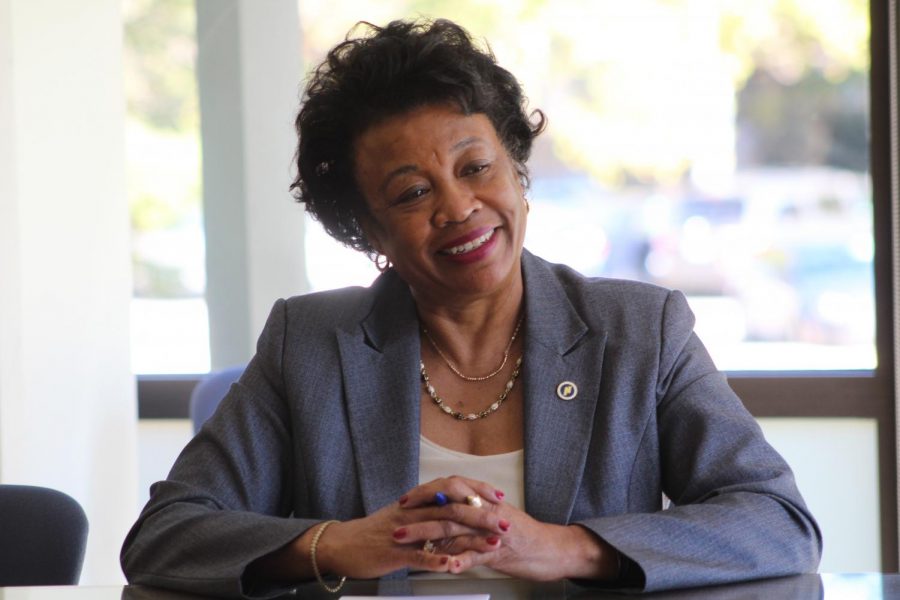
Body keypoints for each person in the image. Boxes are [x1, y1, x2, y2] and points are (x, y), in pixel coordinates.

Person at [121, 18, 821, 599]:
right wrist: (339, 544)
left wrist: (566, 549)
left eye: (475, 167)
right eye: (410, 193)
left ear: (517, 169)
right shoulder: (306, 344)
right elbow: (164, 536)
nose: (459, 209)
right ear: (369, 231)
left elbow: (778, 522)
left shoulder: (640, 331)